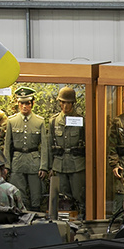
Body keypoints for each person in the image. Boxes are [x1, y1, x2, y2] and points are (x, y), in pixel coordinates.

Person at [2, 86, 48, 210]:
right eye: (21, 103)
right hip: (17, 161)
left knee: (36, 195)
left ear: (32, 103)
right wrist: (7, 165)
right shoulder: (12, 121)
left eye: (27, 103)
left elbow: (44, 146)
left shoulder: (39, 121)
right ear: (18, 103)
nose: (24, 106)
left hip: (34, 162)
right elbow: (7, 145)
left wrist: (43, 166)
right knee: (18, 194)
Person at [44, 86, 86, 219]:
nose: (65, 106)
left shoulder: (82, 120)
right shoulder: (54, 121)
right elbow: (49, 144)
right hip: (60, 164)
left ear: (73, 103)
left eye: (68, 102)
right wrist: (50, 167)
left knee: (80, 196)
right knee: (63, 198)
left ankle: (82, 220)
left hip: (77, 164)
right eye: (63, 102)